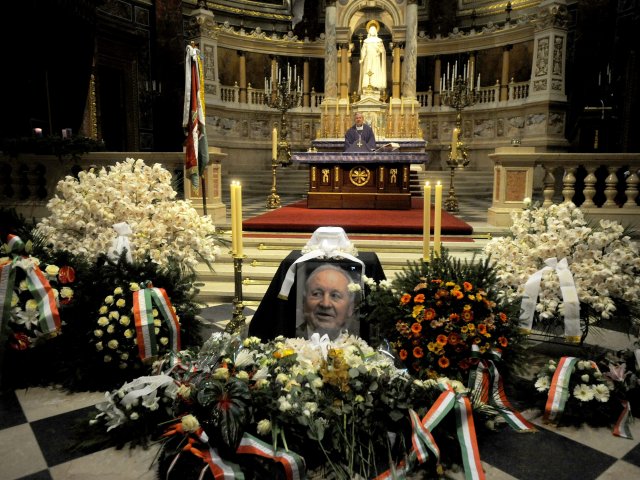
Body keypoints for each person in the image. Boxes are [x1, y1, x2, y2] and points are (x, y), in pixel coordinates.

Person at [297, 263, 359, 339]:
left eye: (335, 296)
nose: (325, 304)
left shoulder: (361, 344)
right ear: (304, 303)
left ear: (350, 308)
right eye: (317, 294)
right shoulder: (286, 339)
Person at [359, 21, 386, 92]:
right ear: (369, 32)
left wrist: (379, 50)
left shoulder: (379, 40)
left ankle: (375, 86)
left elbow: (382, 51)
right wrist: (362, 58)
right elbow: (363, 51)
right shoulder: (366, 41)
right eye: (371, 30)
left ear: (376, 31)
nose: (372, 31)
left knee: (375, 71)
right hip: (368, 59)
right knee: (367, 70)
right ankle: (367, 86)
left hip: (376, 59)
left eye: (374, 30)